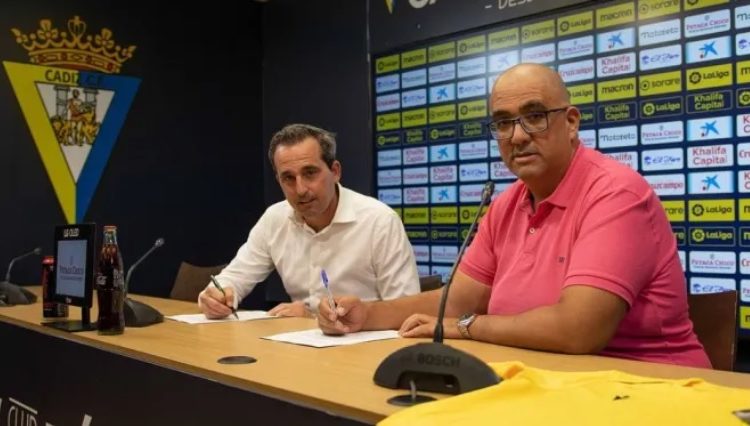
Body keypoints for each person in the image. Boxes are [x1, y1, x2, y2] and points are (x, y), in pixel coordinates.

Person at [318, 64, 711, 368]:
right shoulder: (506, 204)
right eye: (503, 122)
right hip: (548, 383)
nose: (518, 136)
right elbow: (455, 302)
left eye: (534, 115)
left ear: (571, 122)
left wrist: (468, 327)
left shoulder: (615, 193)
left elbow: (578, 331)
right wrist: (367, 314)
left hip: (650, 388)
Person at [199, 123, 420, 318]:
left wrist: (312, 319)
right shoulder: (274, 219)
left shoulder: (379, 221)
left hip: (367, 345)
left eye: (310, 173)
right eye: (288, 178)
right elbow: (234, 277)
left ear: (335, 171)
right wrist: (217, 295)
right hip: (300, 345)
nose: (301, 189)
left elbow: (407, 312)